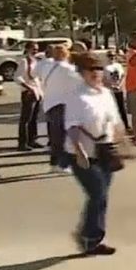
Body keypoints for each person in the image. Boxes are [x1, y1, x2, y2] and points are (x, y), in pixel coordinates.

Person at [65, 51, 126, 256]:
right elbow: (72, 126)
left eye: (99, 69)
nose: (96, 73)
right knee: (98, 193)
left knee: (101, 196)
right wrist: (80, 152)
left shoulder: (105, 94)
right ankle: (90, 237)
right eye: (91, 69)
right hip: (82, 153)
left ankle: (90, 236)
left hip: (105, 150)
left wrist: (124, 143)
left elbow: (116, 121)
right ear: (82, 72)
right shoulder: (77, 96)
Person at [41, 44, 79, 173]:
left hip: (49, 103)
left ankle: (54, 163)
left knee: (55, 135)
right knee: (63, 136)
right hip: (63, 103)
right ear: (66, 54)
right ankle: (61, 164)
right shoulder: (68, 68)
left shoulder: (46, 66)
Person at [15, 41, 42, 151]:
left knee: (34, 118)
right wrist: (28, 87)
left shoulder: (35, 61)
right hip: (28, 92)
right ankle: (22, 143)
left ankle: (32, 140)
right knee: (26, 119)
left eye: (36, 49)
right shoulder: (24, 61)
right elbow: (17, 77)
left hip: (37, 91)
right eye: (33, 49)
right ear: (27, 49)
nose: (35, 51)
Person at [104, 50, 129, 130]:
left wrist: (119, 85)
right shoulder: (105, 67)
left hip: (119, 89)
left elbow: (122, 76)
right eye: (110, 56)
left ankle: (125, 124)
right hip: (109, 91)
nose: (112, 58)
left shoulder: (118, 65)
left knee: (121, 107)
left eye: (113, 56)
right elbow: (104, 79)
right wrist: (111, 86)